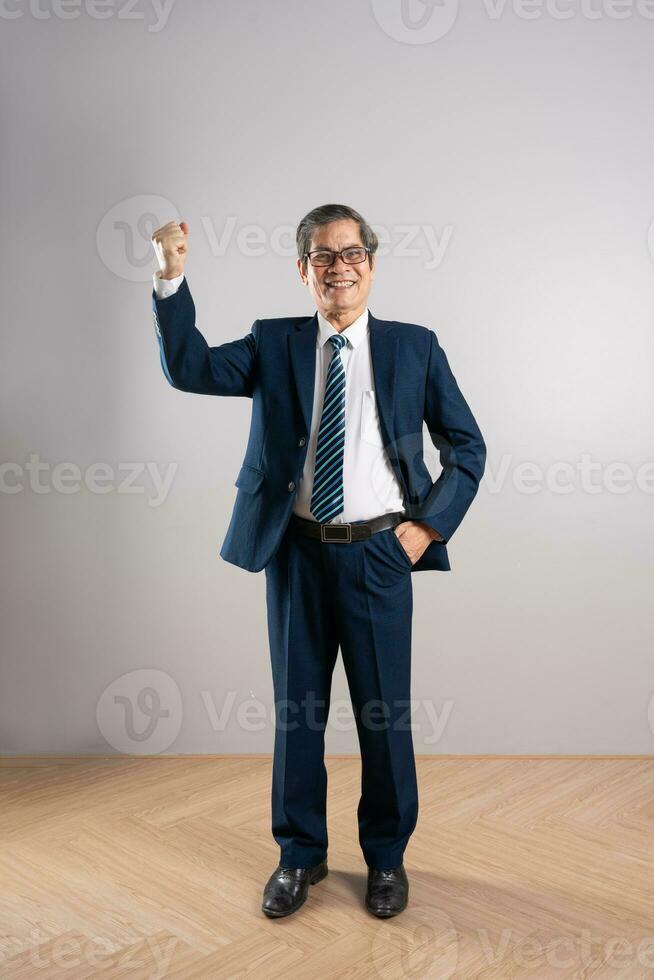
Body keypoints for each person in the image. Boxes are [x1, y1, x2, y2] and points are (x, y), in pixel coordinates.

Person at [150, 203, 486, 918]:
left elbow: (468, 448)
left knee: (383, 716)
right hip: (296, 556)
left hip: (379, 558)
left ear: (372, 262)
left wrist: (427, 530)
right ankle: (298, 856)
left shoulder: (414, 347)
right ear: (303, 271)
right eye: (324, 257)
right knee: (296, 715)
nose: (341, 267)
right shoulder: (274, 344)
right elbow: (189, 369)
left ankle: (387, 860)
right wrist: (170, 280)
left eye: (352, 253)